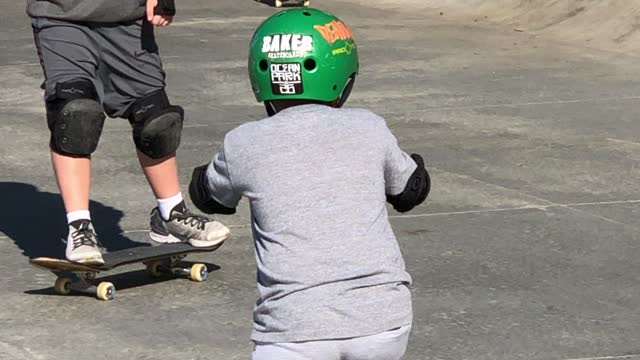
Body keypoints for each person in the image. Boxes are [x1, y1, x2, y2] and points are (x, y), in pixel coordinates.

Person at [189, 8, 430, 360]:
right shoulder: (369, 127)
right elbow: (411, 190)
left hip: (293, 328)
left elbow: (208, 196)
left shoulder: (243, 142)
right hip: (382, 319)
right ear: (343, 75)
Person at [27, 0, 230, 265]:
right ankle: (80, 227)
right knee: (75, 116)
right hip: (62, 17)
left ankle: (171, 214)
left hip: (128, 18)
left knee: (156, 120)